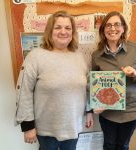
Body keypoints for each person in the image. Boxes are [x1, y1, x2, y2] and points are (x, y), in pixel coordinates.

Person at [15, 11, 88, 150]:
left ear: (72, 32)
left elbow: (86, 88)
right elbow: (24, 92)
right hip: (46, 131)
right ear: (50, 30)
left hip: (73, 127)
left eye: (68, 28)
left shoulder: (79, 57)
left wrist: (89, 111)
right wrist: (28, 126)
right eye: (58, 27)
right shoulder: (35, 56)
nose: (63, 32)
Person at [86, 11, 136, 150]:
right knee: (108, 145)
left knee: (123, 145)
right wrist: (93, 105)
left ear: (123, 28)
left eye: (117, 24)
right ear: (103, 30)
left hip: (131, 110)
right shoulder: (97, 55)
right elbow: (93, 83)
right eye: (108, 25)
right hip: (108, 111)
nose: (112, 28)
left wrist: (135, 73)